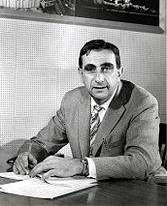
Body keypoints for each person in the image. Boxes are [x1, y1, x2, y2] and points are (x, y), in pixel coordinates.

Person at [13, 39, 163, 181]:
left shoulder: (143, 102)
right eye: (90, 69)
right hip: (94, 187)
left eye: (106, 68)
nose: (99, 78)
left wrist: (81, 166)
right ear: (81, 74)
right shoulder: (72, 100)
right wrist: (28, 155)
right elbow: (41, 142)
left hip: (144, 186)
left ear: (119, 72)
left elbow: (140, 163)